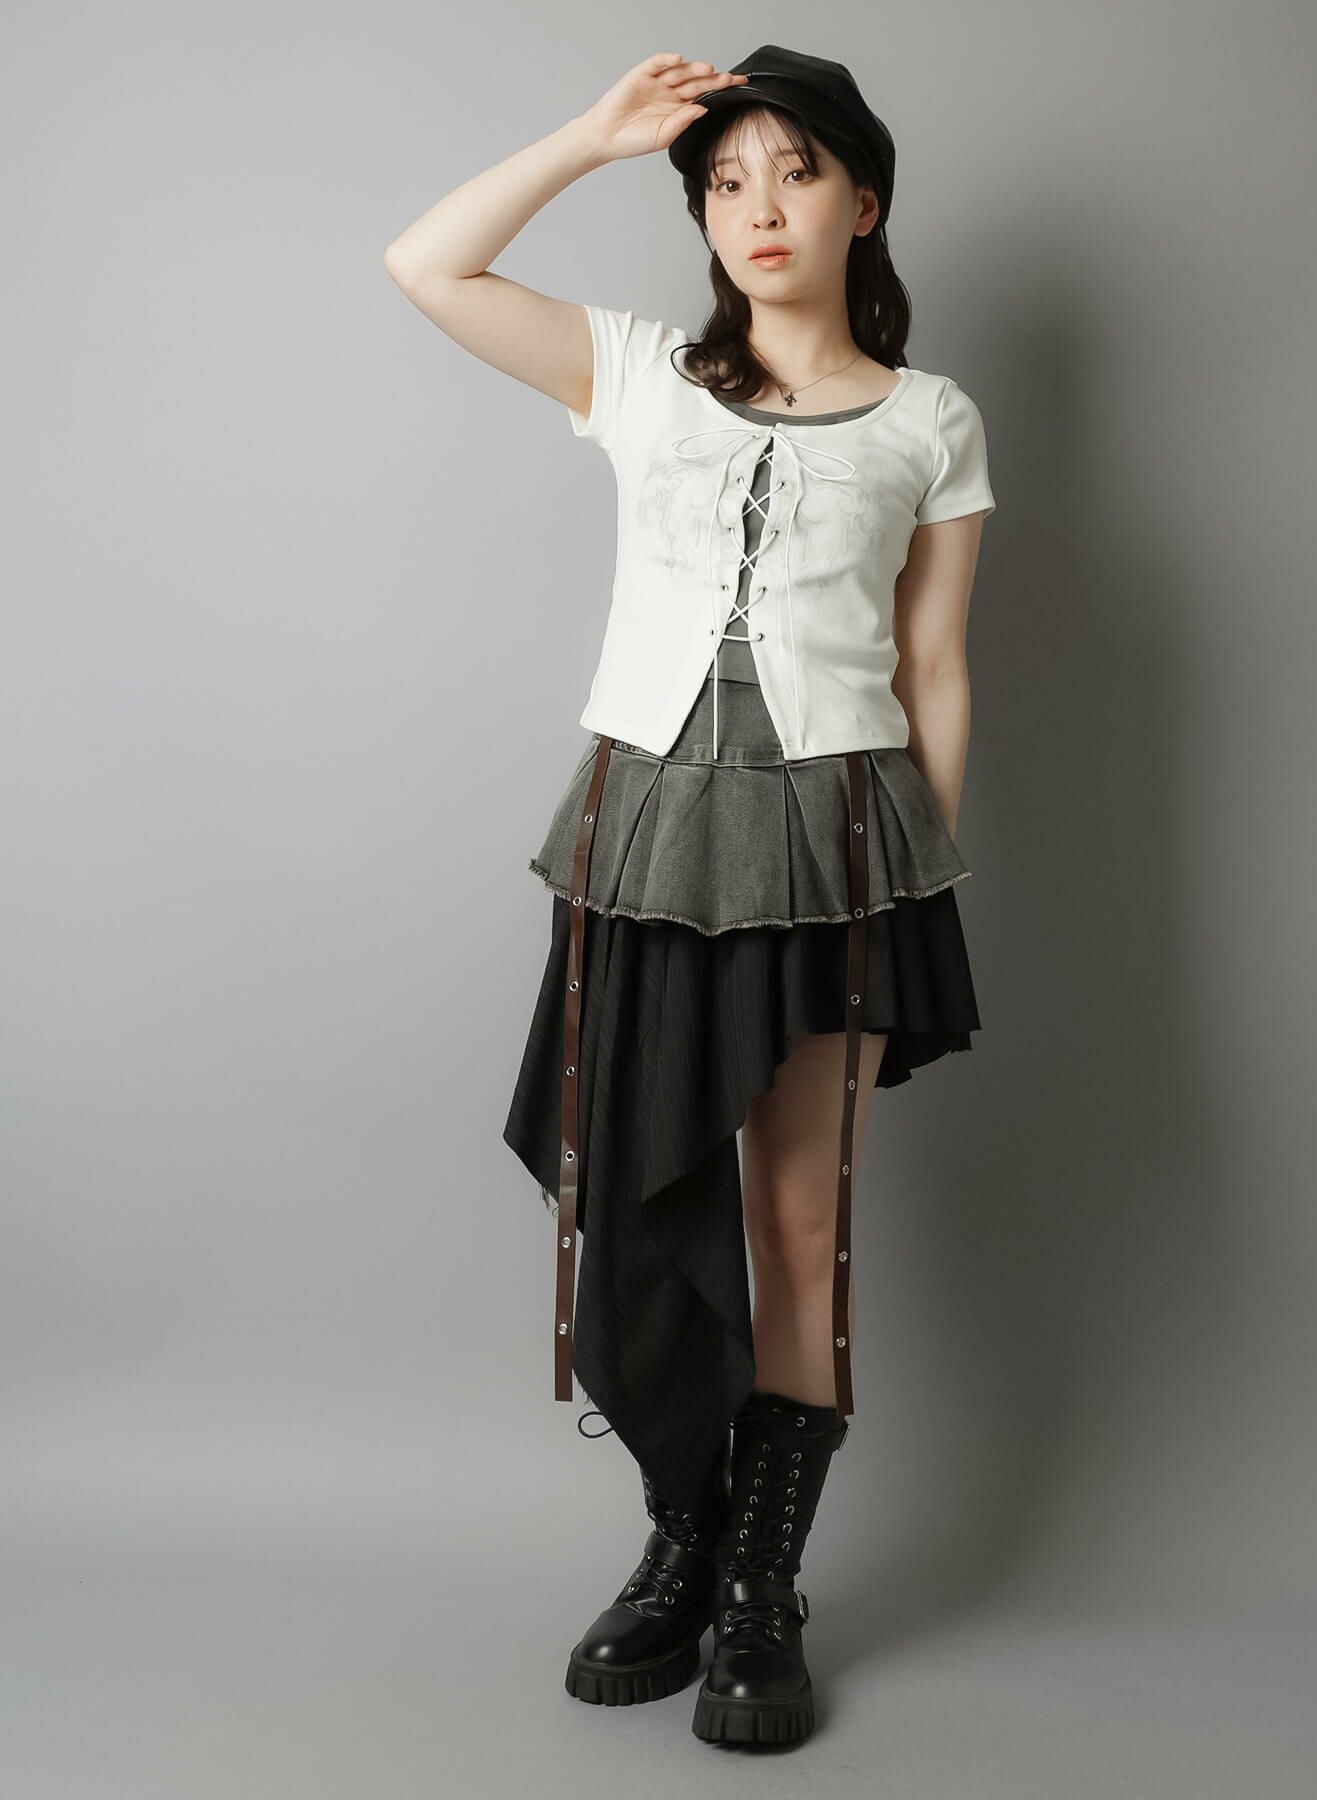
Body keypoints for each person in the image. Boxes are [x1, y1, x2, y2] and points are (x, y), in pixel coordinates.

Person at [384, 44, 995, 1748]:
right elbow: (426, 264)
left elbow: (938, 668)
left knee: (800, 1222)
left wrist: (909, 891)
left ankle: (759, 1590)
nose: (759, 208)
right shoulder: (643, 374)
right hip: (649, 835)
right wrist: (595, 137)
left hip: (838, 850)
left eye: (796, 171)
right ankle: (683, 1537)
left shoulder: (934, 418)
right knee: (643, 1206)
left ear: (864, 199)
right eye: (726, 182)